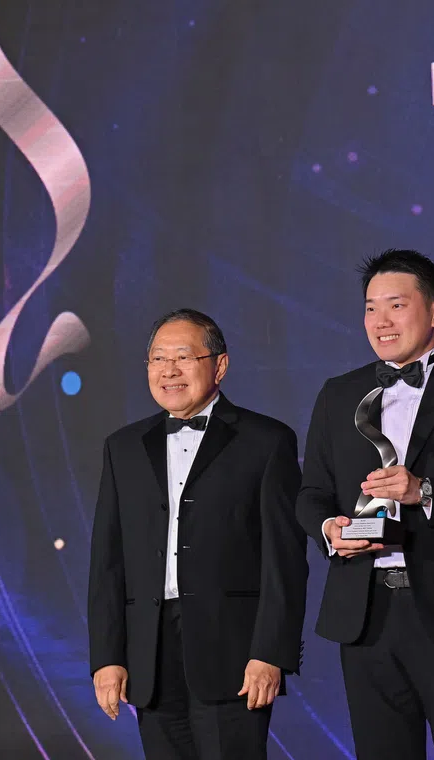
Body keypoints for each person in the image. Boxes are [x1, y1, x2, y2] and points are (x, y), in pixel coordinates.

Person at [296, 249, 434, 760]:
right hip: (363, 612)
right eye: (371, 308)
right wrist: (329, 528)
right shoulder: (338, 394)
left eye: (396, 305)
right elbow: (311, 493)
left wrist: (425, 493)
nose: (381, 321)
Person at [87, 308, 308, 760]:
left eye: (183, 357)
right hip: (149, 655)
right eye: (158, 358)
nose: (168, 370)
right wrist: (107, 657)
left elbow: (284, 558)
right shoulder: (122, 447)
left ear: (219, 365)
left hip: (235, 655)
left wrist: (271, 652)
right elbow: (107, 560)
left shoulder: (266, 441)